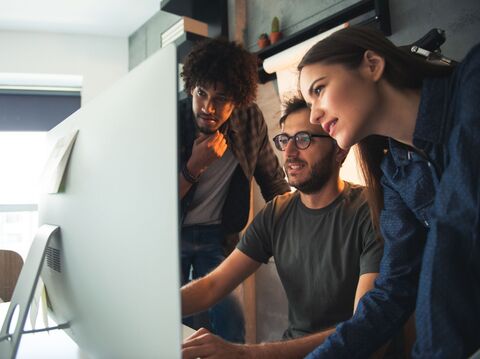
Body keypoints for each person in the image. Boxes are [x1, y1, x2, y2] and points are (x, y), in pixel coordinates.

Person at [298, 26, 480, 358]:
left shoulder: (472, 83)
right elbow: (393, 290)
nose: (314, 115)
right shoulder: (395, 175)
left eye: (319, 89)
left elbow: (458, 222)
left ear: (372, 64)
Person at [181, 97, 384, 359]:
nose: (288, 153)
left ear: (340, 150)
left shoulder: (372, 211)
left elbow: (363, 329)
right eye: (284, 140)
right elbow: (213, 286)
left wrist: (244, 354)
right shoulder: (277, 213)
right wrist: (160, 306)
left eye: (303, 139)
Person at [179, 38, 290, 343]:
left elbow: (272, 179)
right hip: (171, 236)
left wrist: (304, 217)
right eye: (202, 93)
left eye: (221, 98)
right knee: (180, 325)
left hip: (219, 237)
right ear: (191, 88)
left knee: (232, 324)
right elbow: (152, 205)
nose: (208, 108)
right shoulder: (172, 122)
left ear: (238, 100)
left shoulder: (250, 118)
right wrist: (193, 167)